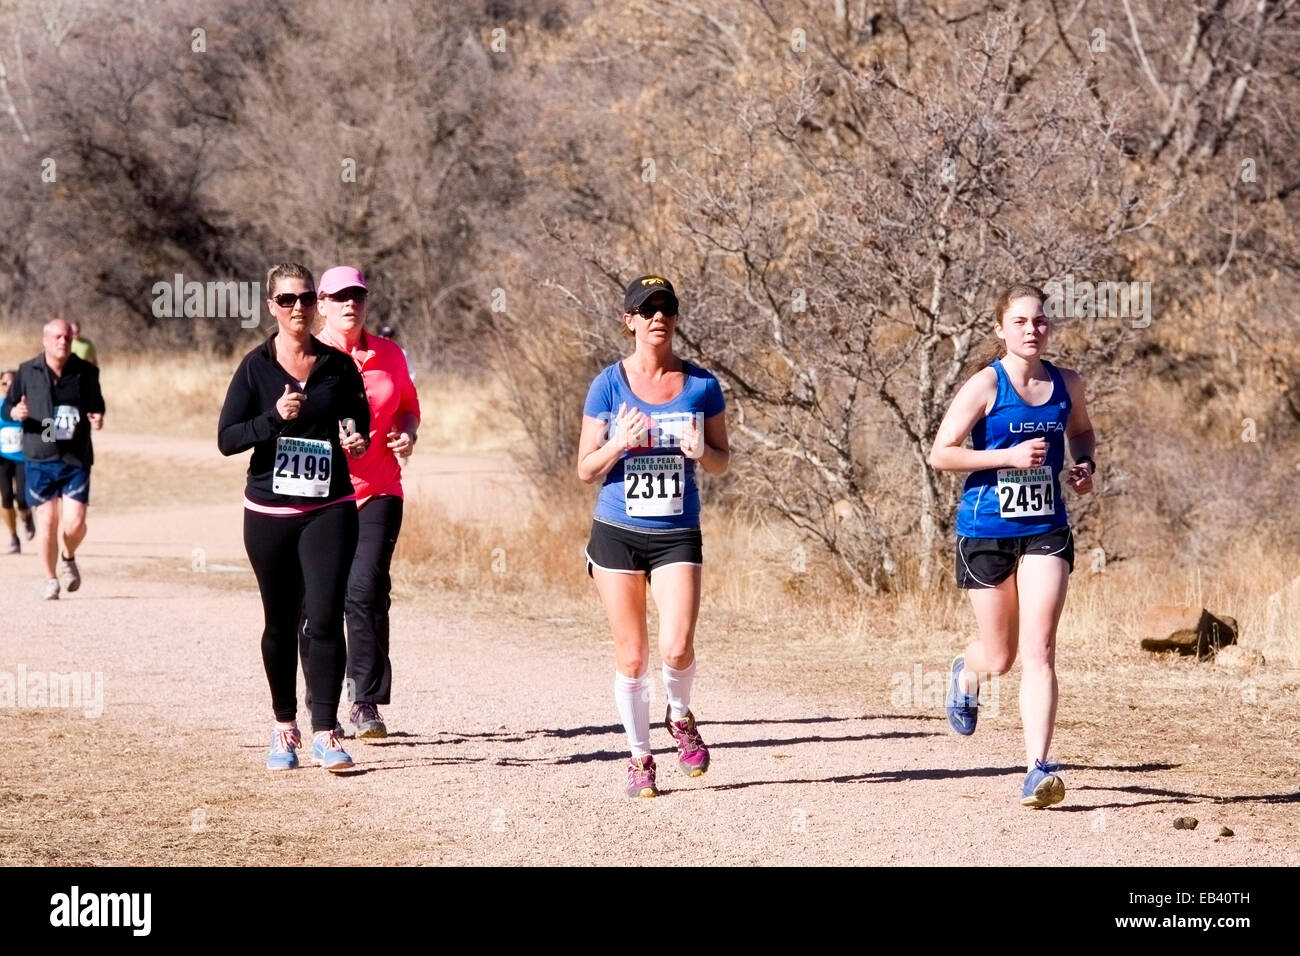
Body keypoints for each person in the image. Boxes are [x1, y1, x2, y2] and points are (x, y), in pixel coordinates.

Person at [928, 283, 1096, 808]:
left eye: (1040, 321)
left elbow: (1083, 432)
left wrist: (1085, 464)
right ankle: (967, 672)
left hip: (1047, 527)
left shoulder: (1068, 382)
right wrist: (1007, 458)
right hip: (986, 531)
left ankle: (1038, 768)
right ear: (1001, 329)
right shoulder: (985, 384)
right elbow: (941, 453)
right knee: (998, 657)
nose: (1032, 330)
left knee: (1039, 648)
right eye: (1020, 321)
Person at [576, 275, 730, 798]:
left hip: (676, 533)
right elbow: (584, 469)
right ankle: (640, 758)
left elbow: (722, 461)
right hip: (617, 530)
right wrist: (618, 442)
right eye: (646, 310)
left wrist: (698, 451)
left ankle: (680, 716)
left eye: (666, 308)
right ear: (630, 321)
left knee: (678, 645)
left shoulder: (702, 385)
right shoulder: (608, 385)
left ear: (676, 319)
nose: (657, 317)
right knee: (633, 656)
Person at [218, 263, 371, 772]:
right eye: (287, 300)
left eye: (305, 298)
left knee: (325, 617)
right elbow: (227, 439)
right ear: (271, 306)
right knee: (280, 622)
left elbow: (357, 420)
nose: (298, 308)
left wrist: (355, 438)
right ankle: (285, 727)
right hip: (269, 510)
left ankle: (326, 731)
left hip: (329, 507)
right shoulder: (255, 367)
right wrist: (272, 419)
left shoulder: (338, 366)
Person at [311, 267, 421, 739]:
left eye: (356, 295)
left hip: (380, 489)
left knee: (366, 591)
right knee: (319, 603)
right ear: (321, 302)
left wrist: (406, 435)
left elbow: (409, 408)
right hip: (323, 494)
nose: (349, 304)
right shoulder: (308, 356)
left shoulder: (389, 353)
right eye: (339, 297)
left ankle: (366, 702)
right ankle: (321, 707)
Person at [4, 320, 105, 599]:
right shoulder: (27, 371)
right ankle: (50, 579)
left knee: (75, 523)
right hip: (40, 455)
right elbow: (8, 406)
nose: (63, 341)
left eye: (67, 337)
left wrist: (97, 417)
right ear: (45, 339)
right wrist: (15, 413)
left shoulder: (86, 372)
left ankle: (68, 556)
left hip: (75, 457)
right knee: (47, 521)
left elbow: (97, 405)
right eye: (58, 336)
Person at [0, 367, 36, 553]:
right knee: (6, 498)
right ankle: (13, 538)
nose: (7, 386)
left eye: (11, 383)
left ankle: (26, 515)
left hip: (23, 458)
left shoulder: (27, 405)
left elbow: (43, 427)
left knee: (22, 498)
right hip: (3, 459)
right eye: (4, 383)